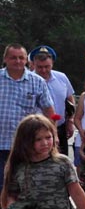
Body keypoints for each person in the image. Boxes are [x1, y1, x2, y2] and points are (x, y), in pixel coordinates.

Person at [1, 44, 55, 191]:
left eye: (21, 58)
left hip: (26, 144)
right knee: (2, 185)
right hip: (1, 143)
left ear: (26, 60)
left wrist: (52, 137)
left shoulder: (37, 82)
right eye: (13, 58)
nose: (17, 61)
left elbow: (50, 112)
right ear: (5, 59)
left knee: (24, 186)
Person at [29, 46, 76, 156]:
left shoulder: (62, 77)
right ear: (33, 64)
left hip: (60, 127)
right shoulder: (28, 81)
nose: (44, 70)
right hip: (35, 130)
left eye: (47, 66)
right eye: (39, 67)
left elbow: (70, 99)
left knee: (61, 161)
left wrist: (70, 121)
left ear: (52, 64)